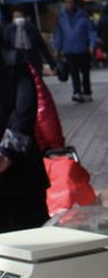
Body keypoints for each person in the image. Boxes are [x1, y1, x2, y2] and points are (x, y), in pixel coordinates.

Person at [0, 25, 48, 230]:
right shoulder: (15, 61)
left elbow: (25, 110)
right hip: (18, 166)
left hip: (21, 172)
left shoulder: (14, 62)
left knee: (31, 235)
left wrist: (7, 153)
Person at [52, 0, 95, 103]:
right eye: (66, 2)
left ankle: (87, 92)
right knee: (74, 73)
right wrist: (57, 48)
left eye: (70, 2)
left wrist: (91, 45)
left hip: (83, 48)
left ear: (75, 3)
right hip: (69, 49)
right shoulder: (61, 17)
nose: (68, 5)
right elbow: (59, 34)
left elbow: (91, 32)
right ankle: (77, 92)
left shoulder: (84, 16)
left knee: (85, 72)